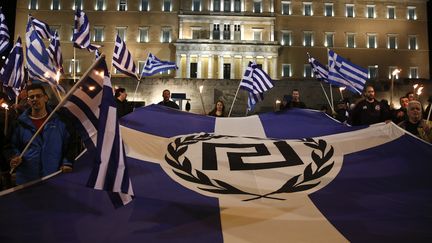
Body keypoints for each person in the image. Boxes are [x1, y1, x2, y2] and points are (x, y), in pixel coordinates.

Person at [5, 84, 74, 185]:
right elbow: (9, 146)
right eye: (31, 97)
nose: (35, 99)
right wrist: (13, 157)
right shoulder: (19, 123)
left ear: (46, 98)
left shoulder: (60, 121)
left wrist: (67, 163)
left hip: (54, 179)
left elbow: (70, 145)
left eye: (38, 96)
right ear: (28, 101)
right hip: (27, 181)